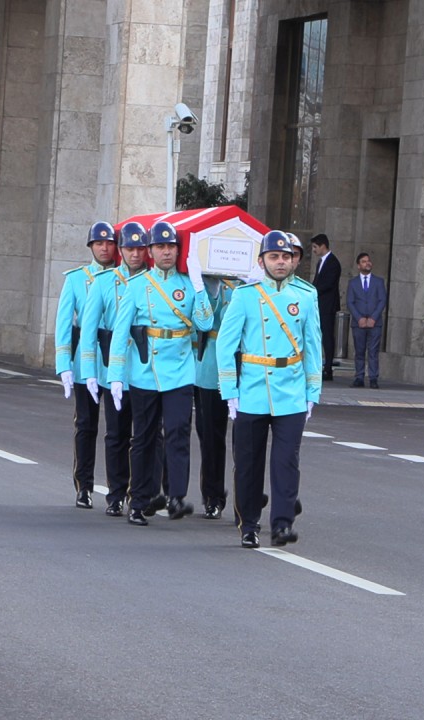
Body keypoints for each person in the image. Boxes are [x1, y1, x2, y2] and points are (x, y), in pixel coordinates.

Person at [217, 230, 322, 549]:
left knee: (286, 461)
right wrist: (229, 389)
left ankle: (282, 524)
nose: (280, 262)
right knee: (248, 463)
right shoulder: (245, 295)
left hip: (291, 389)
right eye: (274, 256)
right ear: (261, 261)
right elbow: (225, 344)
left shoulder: (306, 296)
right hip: (252, 388)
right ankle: (248, 524)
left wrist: (312, 391)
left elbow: (313, 346)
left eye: (286, 257)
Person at [107, 220, 211, 526]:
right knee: (144, 437)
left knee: (178, 432)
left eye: (171, 247)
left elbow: (204, 324)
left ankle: (176, 495)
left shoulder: (187, 284)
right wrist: (116, 374)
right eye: (160, 247)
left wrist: (200, 288)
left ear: (178, 251)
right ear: (150, 252)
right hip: (145, 370)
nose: (166, 252)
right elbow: (120, 332)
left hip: (180, 368)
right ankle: (139, 501)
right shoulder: (137, 285)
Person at [77, 221, 147, 516]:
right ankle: (116, 494)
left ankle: (143, 494)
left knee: (147, 436)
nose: (135, 254)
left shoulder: (153, 281)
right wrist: (89, 372)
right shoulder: (105, 282)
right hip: (113, 369)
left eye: (140, 248)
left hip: (146, 371)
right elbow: (88, 330)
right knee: (116, 434)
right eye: (129, 248)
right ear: (122, 250)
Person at [55, 221, 119, 509]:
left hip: (116, 359)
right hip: (86, 358)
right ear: (91, 246)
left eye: (109, 243)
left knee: (118, 429)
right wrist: (64, 364)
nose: (105, 248)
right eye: (99, 243)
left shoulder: (124, 277)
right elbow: (64, 324)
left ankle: (118, 490)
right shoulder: (76, 279)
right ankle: (84, 486)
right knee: (85, 424)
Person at [193, 270, 240, 520]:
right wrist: (207, 289)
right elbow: (202, 323)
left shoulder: (251, 283)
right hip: (212, 363)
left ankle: (246, 498)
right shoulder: (206, 283)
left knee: (247, 440)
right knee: (211, 435)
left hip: (248, 362)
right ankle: (213, 495)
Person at [346, 252, 387, 388]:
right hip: (359, 323)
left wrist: (373, 318)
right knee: (359, 351)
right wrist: (359, 318)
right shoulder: (353, 283)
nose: (367, 263)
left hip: (375, 323)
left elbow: (382, 300)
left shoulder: (379, 281)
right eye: (363, 261)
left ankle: (373, 378)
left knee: (373, 351)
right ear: (358, 266)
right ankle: (359, 377)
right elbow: (350, 302)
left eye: (368, 261)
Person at [310, 234, 341, 381]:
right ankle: (320, 366)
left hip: (328, 306)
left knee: (327, 336)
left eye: (315, 247)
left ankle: (328, 368)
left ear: (323, 246)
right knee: (318, 336)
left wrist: (313, 291)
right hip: (319, 304)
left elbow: (328, 284)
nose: (314, 250)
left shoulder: (333, 262)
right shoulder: (320, 262)